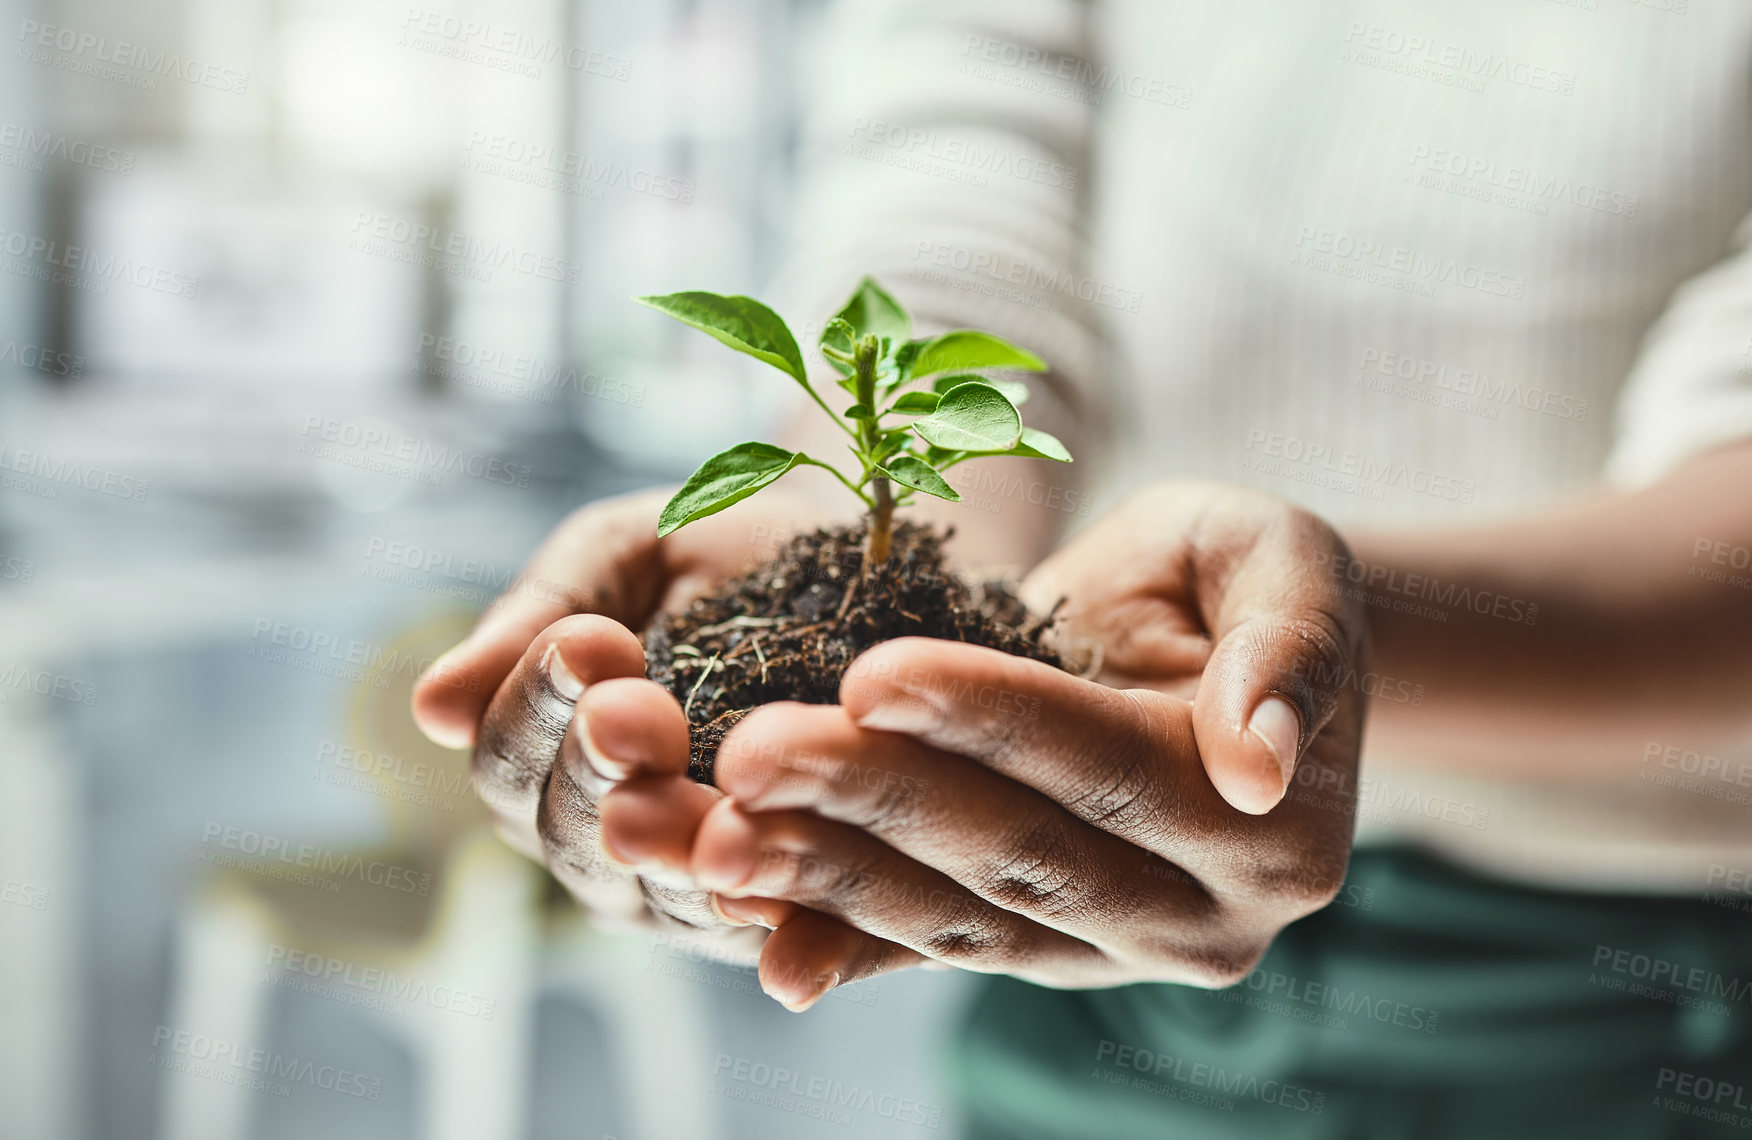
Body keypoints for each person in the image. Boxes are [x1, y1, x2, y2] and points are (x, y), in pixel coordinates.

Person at [414, 2, 1752, 1135]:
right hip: (1082, 919)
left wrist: (1291, 646)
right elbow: (954, 182)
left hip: (1632, 994)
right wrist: (913, 580)